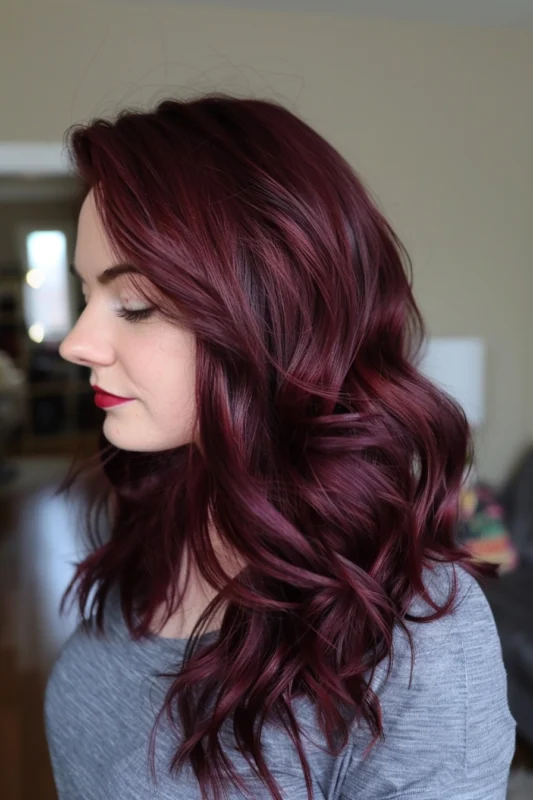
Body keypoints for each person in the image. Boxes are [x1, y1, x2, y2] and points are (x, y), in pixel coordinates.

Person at [44, 93, 516, 800]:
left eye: (133, 303)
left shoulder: (416, 639)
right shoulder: (162, 521)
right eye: (86, 293)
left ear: (270, 312)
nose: (77, 343)